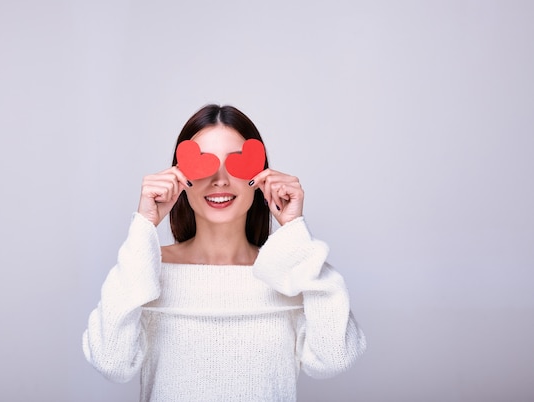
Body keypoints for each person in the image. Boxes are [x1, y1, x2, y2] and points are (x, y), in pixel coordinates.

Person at [82, 104, 366, 401]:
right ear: (179, 177)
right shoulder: (147, 268)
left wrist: (295, 230)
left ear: (260, 178)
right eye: (203, 163)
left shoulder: (290, 271)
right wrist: (143, 227)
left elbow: (335, 357)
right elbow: (111, 362)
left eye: (236, 164)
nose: (220, 180)